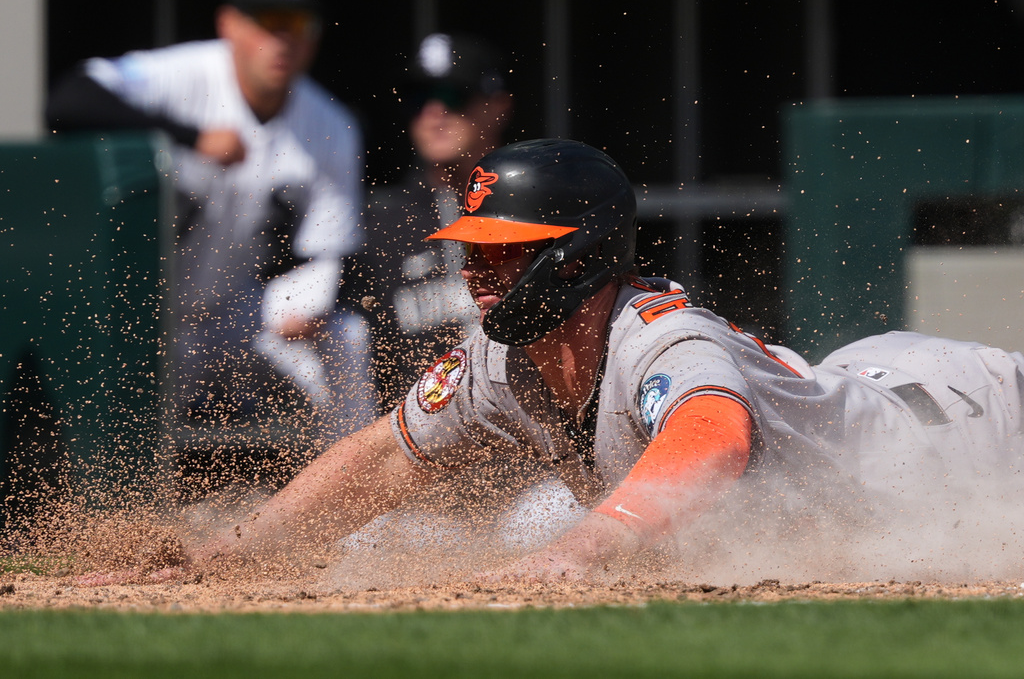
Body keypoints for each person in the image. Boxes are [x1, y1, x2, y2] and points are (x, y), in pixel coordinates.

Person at [81, 138, 1024, 586]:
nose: (478, 268)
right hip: (864, 386)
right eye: (476, 246)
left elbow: (713, 433)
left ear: (578, 254)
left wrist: (578, 551)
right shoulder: (503, 359)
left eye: (505, 247)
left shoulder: (658, 334)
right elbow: (379, 459)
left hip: (958, 417)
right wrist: (221, 559)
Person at [45, 0, 374, 439]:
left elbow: (331, 247)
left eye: (296, 23)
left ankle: (361, 491)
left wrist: (309, 304)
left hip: (239, 316)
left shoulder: (331, 122)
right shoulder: (186, 72)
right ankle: (115, 500)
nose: (282, 39)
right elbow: (68, 100)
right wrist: (192, 136)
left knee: (344, 335)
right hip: (151, 317)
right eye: (267, 21)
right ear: (230, 23)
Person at [347, 32, 514, 411]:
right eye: (418, 99)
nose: (433, 113)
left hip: (531, 434)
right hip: (421, 439)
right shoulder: (380, 222)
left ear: (498, 105)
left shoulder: (536, 208)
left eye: (455, 96)